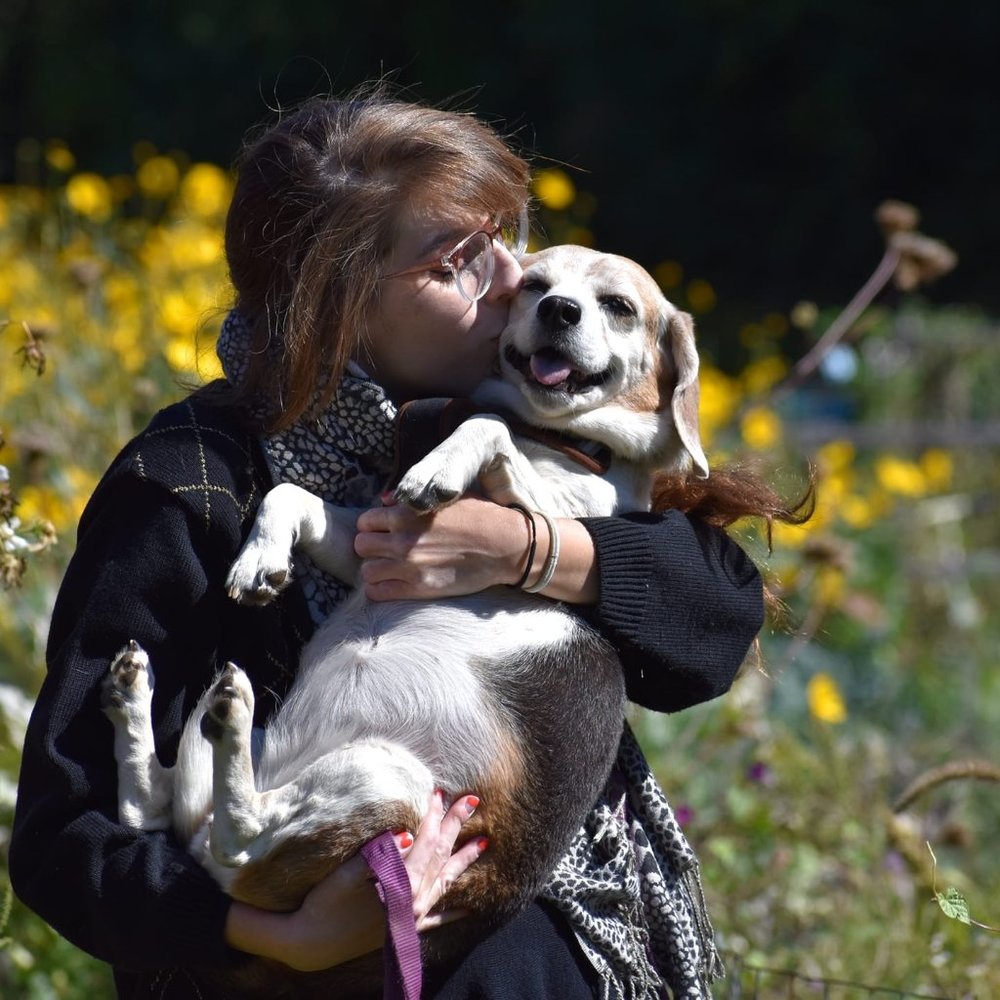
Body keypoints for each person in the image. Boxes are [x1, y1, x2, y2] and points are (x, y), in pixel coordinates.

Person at [10, 90, 768, 999]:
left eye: (505, 241)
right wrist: (269, 935)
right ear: (339, 302)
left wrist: (529, 551)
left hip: (543, 920)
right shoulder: (188, 487)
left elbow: (717, 614)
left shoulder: (531, 421)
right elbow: (65, 838)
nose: (511, 280)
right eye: (459, 264)